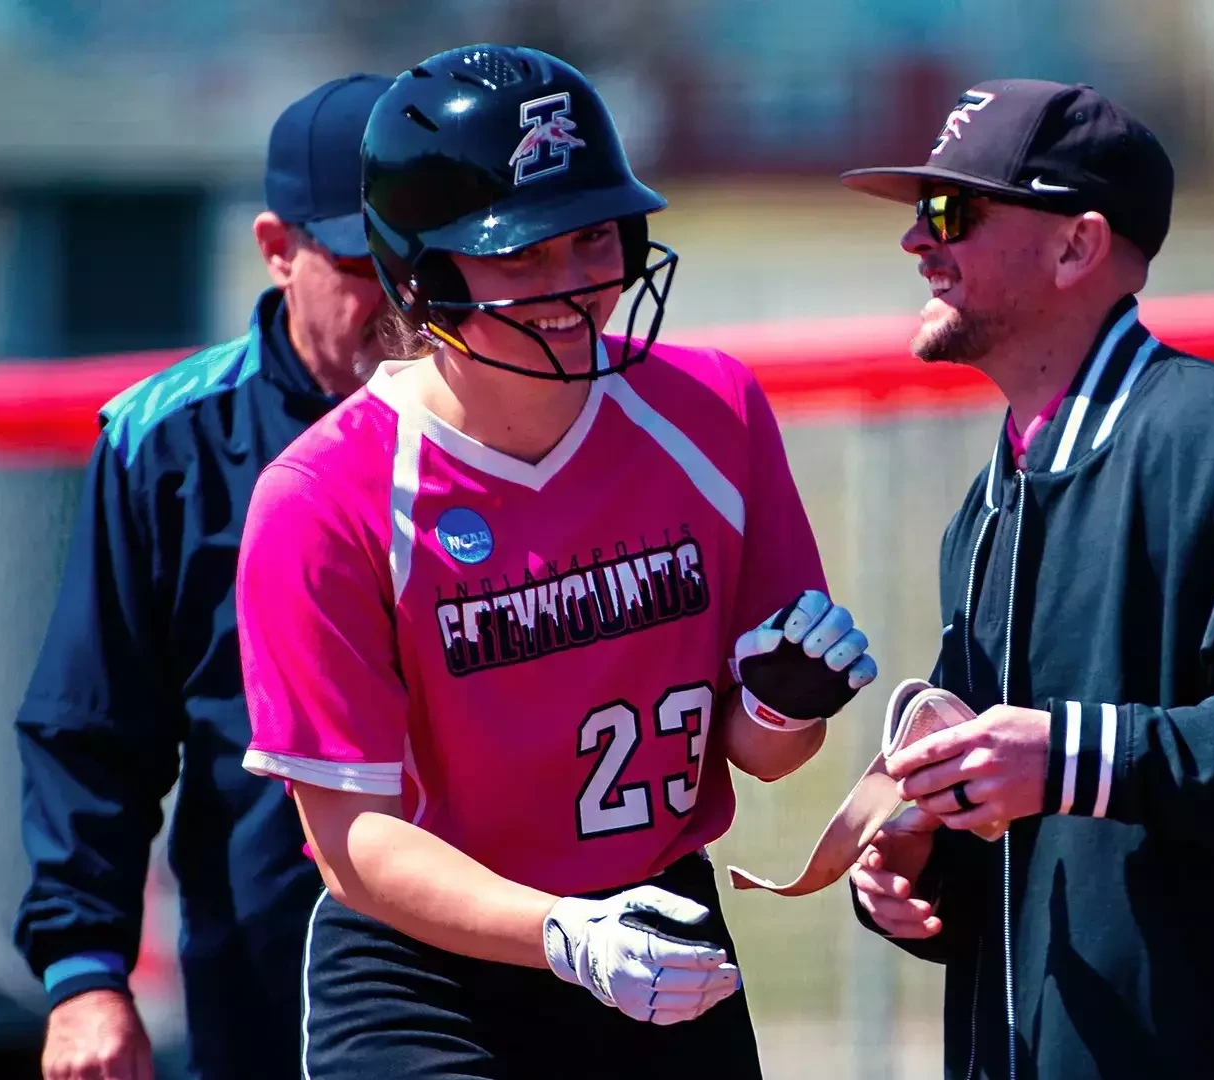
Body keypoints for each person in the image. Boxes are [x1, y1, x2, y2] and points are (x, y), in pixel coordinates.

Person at [235, 45, 877, 1080]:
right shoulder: (325, 498)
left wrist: (784, 706)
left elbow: (758, 756)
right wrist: (563, 936)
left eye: (593, 240)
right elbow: (352, 841)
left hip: (660, 927)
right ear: (423, 272)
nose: (573, 285)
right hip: (430, 971)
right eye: (519, 255)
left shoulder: (709, 411)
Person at [839, 79, 1214, 1079]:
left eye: (953, 210)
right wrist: (921, 878)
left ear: (1077, 247)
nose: (917, 242)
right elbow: (1033, 843)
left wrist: (1073, 758)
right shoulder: (985, 508)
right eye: (918, 212)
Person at [13, 73, 411, 1080]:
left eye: (426, 256)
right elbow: (93, 729)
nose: (403, 298)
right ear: (279, 250)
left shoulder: (502, 415)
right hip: (274, 968)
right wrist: (84, 971)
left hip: (500, 954)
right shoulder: (169, 439)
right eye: (366, 262)